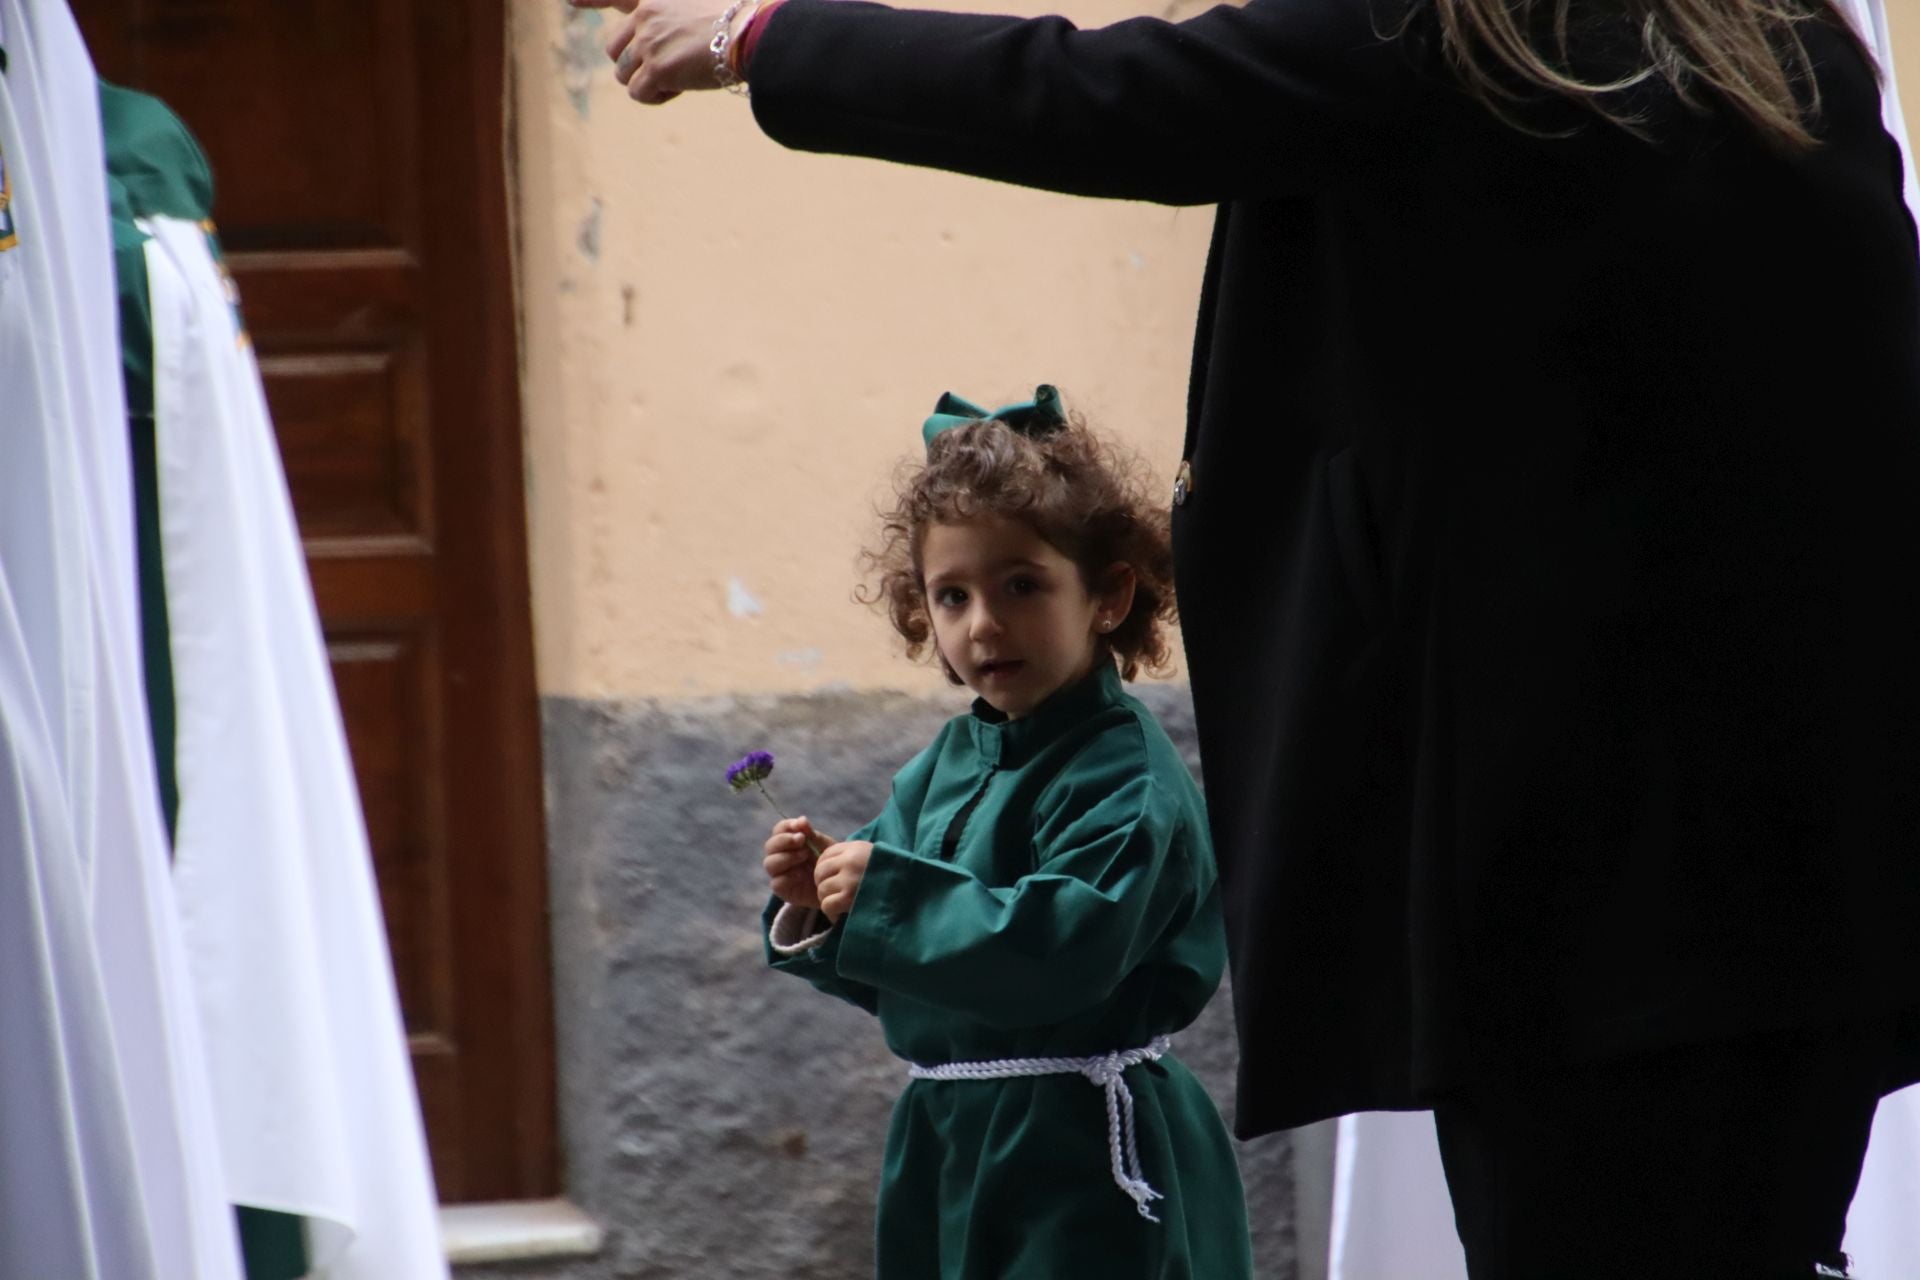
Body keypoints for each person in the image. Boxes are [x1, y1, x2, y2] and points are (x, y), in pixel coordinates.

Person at [592, 0, 1920, 1272]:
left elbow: (1098, 95)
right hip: (1816, 867)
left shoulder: (1458, 41)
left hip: (1579, 889)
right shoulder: (1788, 50)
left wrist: (757, 33)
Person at [757, 387, 1253, 1279]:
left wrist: (886, 899)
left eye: (1021, 585)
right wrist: (824, 904)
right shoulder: (942, 764)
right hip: (947, 1147)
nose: (984, 623)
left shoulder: (1127, 775)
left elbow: (1065, 947)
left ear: (1108, 596)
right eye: (953, 596)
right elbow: (905, 959)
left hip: (1078, 1156)